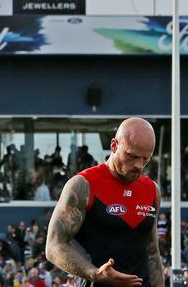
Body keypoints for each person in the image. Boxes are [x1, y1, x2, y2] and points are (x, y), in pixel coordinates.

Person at [45, 117, 163, 287]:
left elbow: (152, 252)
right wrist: (95, 274)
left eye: (146, 159)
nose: (139, 165)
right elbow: (54, 246)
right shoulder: (83, 185)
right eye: (132, 156)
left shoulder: (151, 190)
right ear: (114, 145)